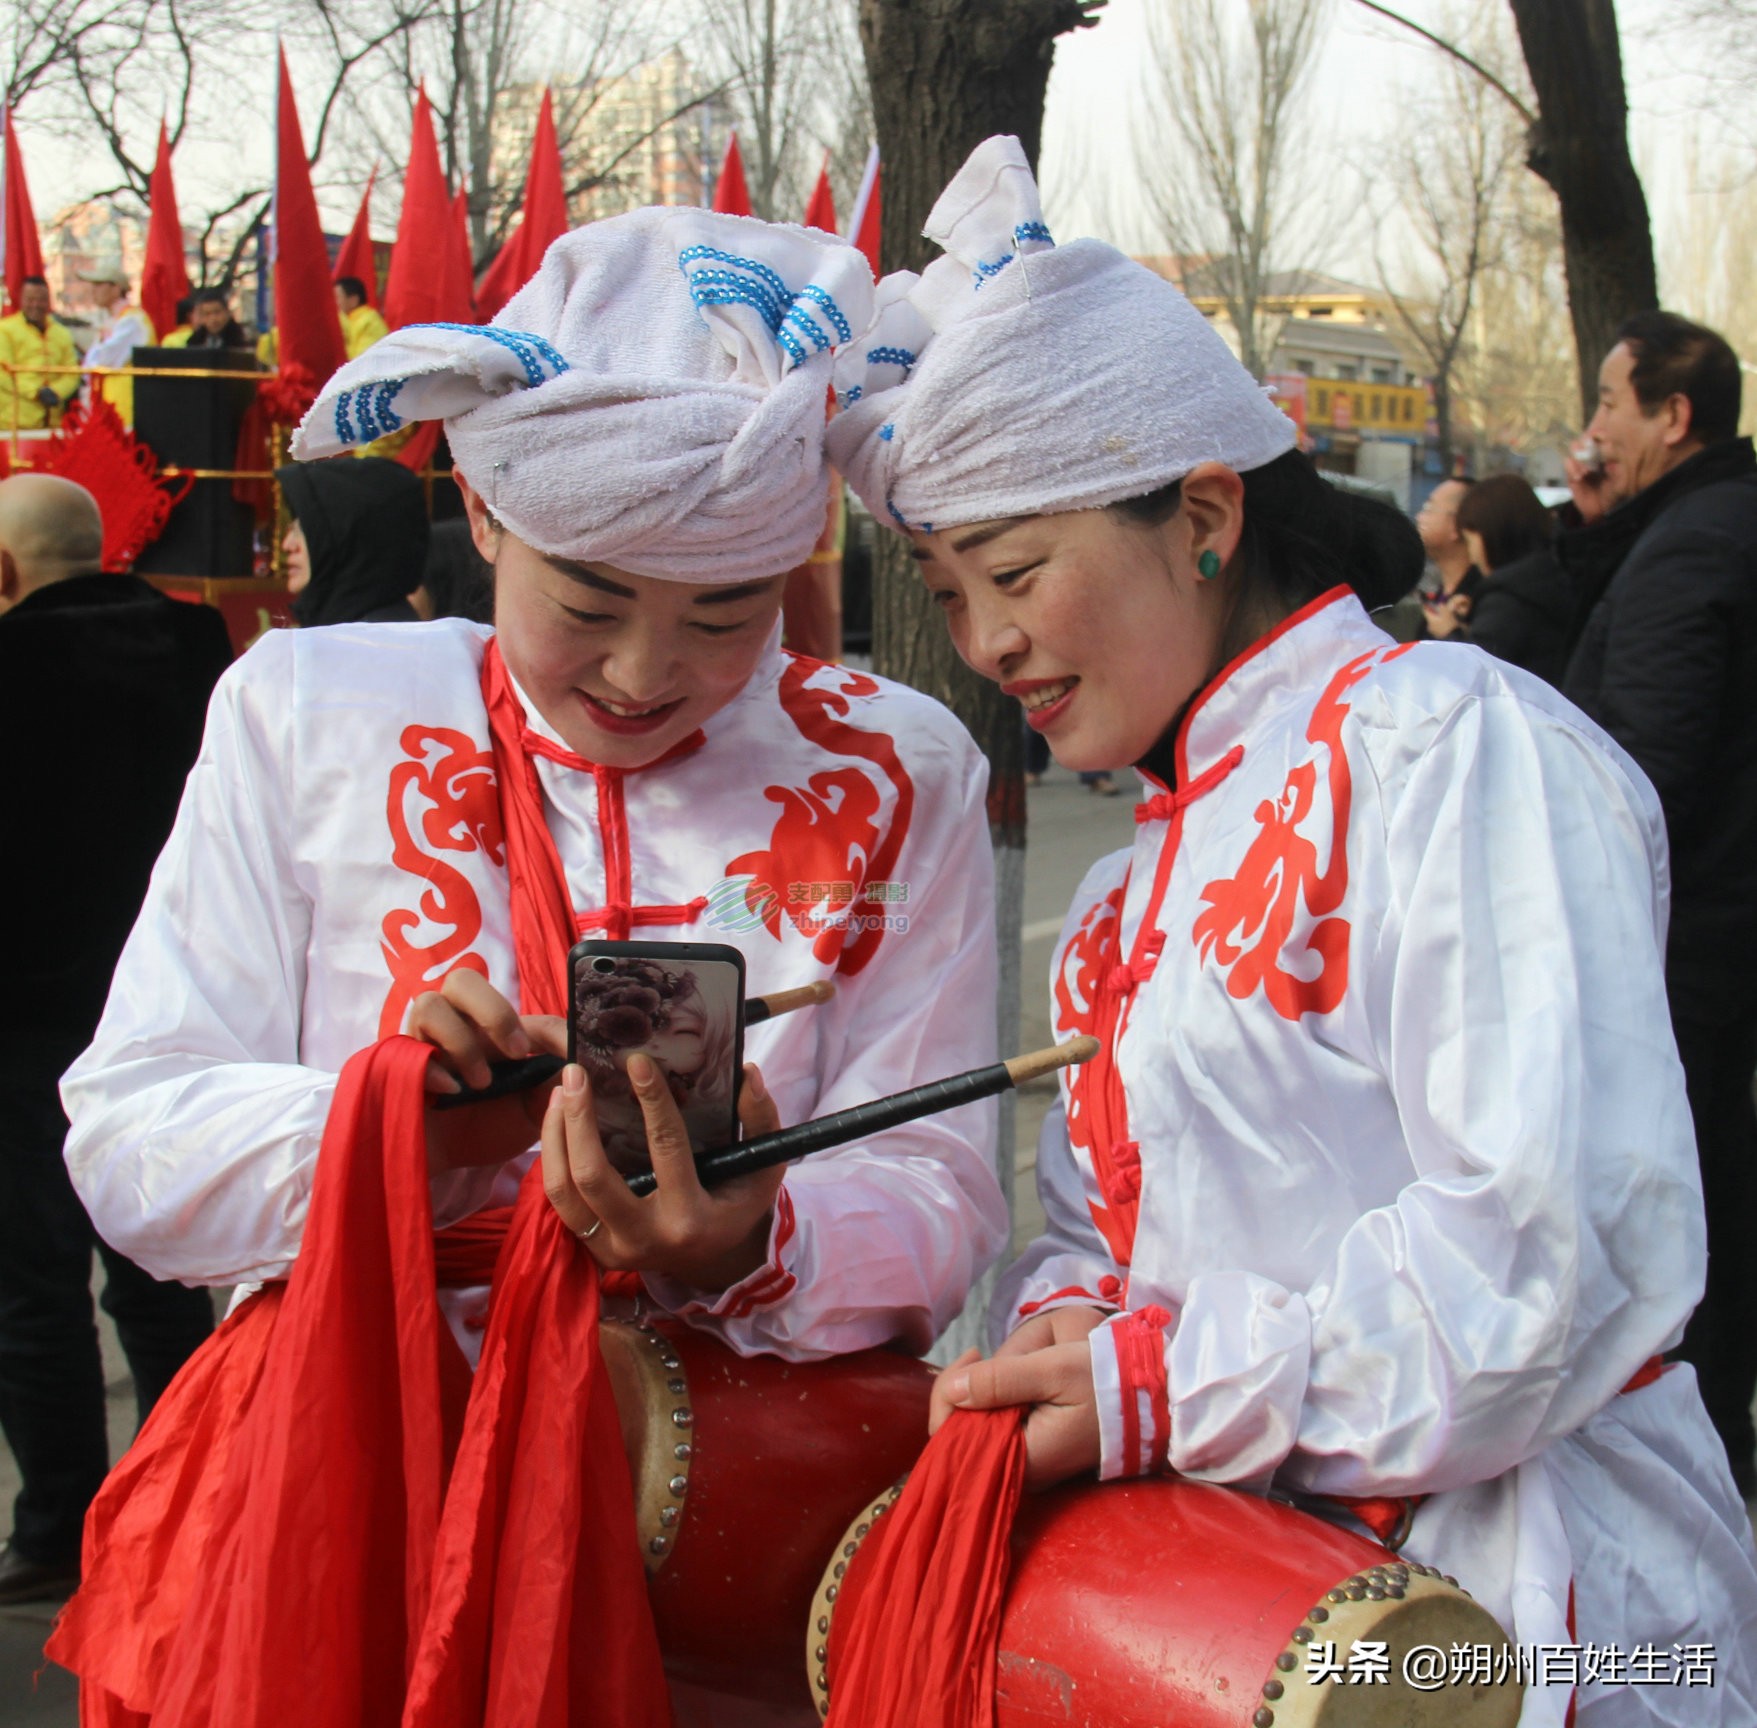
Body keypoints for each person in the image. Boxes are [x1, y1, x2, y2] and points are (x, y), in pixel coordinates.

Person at [826, 138, 1757, 1726]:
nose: (984, 643)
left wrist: (1163, 1387)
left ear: (1201, 512)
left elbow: (1562, 1246)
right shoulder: (1130, 887)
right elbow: (1101, 1238)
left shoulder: (1453, 749)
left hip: (1540, 1623)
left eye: (1014, 573)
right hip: (1229, 1611)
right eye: (942, 589)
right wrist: (1065, 1328)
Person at [52, 204, 1005, 1719]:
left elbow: (946, 1194)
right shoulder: (306, 711)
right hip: (339, 1485)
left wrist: (752, 1239)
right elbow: (133, 1146)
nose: (645, 676)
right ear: (487, 518)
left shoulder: (897, 767)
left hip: (728, 1510)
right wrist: (410, 1121)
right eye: (588, 604)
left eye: (725, 618)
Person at [0, 474, 232, 1604]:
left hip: (26, 1020)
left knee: (31, 1287)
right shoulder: (208, 661)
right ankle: (193, 1496)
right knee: (159, 1270)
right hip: (171, 1009)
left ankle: (57, 1528)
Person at [1558, 309, 1757, 1502]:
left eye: (1608, 405)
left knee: (1678, 1231)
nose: (1591, 434)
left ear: (1671, 415)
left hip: (1684, 954)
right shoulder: (1704, 523)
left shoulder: (1694, 546)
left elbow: (1638, 775)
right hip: (1717, 939)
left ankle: (1687, 1485)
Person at [1450, 471, 1574, 685]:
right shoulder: (1551, 577)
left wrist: (1450, 632)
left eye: (1470, 541)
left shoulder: (1508, 599)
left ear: (1491, 535)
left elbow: (1471, 678)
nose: (1472, 556)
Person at [276, 455, 429, 625]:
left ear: (349, 538)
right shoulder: (333, 627)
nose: (287, 545)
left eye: (303, 531)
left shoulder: (378, 642)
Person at [78, 266, 156, 425]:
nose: (93, 291)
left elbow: (103, 360)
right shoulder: (115, 321)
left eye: (99, 285)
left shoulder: (132, 321)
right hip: (109, 405)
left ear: (116, 288)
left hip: (125, 406)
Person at [0, 276, 79, 431]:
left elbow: (73, 372)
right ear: (21, 300)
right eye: (30, 299)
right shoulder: (5, 330)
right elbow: (3, 372)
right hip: (14, 425)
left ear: (48, 301)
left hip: (54, 425)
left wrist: (56, 392)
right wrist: (37, 392)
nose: (35, 305)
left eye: (41, 300)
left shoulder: (61, 333)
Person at [1410, 473, 1480, 641]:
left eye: (1428, 508)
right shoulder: (1441, 593)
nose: (1419, 517)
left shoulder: (1480, 601)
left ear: (1458, 524)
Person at [333, 275, 389, 360]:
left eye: (337, 297)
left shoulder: (370, 322)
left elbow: (363, 360)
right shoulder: (346, 318)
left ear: (353, 300)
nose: (333, 303)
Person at [181, 287, 250, 351]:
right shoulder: (195, 341)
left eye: (217, 312)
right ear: (201, 318)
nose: (213, 319)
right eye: (207, 314)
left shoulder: (241, 339)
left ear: (228, 313)